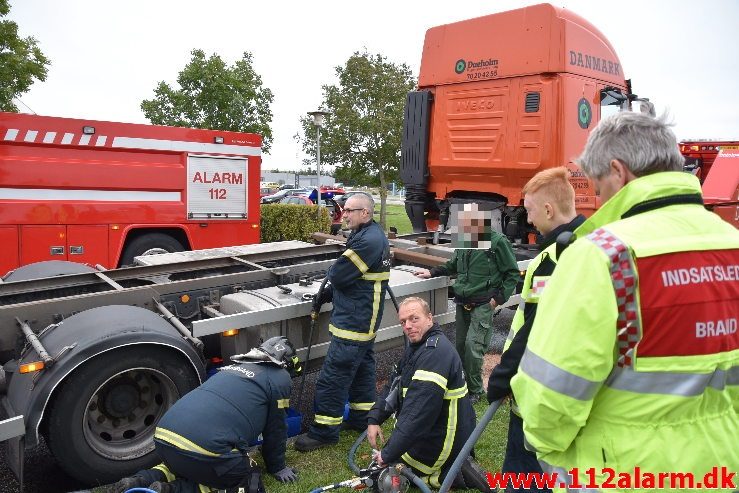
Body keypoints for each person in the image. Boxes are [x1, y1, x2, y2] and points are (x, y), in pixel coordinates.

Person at [511, 112, 739, 490]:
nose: (598, 201)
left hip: (627, 471)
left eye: (598, 188)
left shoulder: (603, 255)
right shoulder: (730, 245)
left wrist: (544, 446)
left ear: (618, 172)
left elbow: (550, 395)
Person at [486, 167, 585, 492]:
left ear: (548, 209)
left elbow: (535, 325)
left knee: (523, 478)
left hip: (539, 394)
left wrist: (502, 377)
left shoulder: (556, 258)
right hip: (570, 395)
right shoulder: (586, 245)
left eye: (529, 210)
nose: (527, 220)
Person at [105, 336, 302, 493]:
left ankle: (141, 480)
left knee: (184, 464)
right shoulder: (279, 378)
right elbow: (276, 429)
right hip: (203, 448)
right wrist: (277, 467)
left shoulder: (234, 366)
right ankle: (174, 490)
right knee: (244, 476)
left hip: (165, 438)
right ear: (285, 363)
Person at [295, 192, 391, 451]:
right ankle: (361, 418)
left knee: (333, 378)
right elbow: (347, 278)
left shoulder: (367, 241)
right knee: (362, 373)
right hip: (362, 322)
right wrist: (327, 292)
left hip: (354, 324)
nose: (344, 214)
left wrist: (330, 283)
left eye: (349, 210)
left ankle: (324, 432)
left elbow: (338, 275)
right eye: (343, 209)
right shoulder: (369, 235)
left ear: (366, 213)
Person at [366, 297, 490, 491]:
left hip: (443, 436)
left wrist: (387, 454)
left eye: (414, 319)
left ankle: (456, 473)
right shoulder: (419, 347)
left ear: (429, 318)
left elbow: (417, 413)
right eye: (403, 322)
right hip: (433, 428)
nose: (408, 326)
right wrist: (374, 418)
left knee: (391, 475)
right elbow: (394, 386)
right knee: (388, 467)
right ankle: (453, 467)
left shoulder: (434, 353)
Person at [415, 204, 520, 403]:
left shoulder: (497, 242)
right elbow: (454, 264)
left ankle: (476, 391)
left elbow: (512, 273)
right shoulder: (465, 240)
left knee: (473, 347)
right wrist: (432, 272)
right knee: (461, 346)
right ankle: (462, 386)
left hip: (483, 303)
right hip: (463, 302)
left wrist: (497, 299)